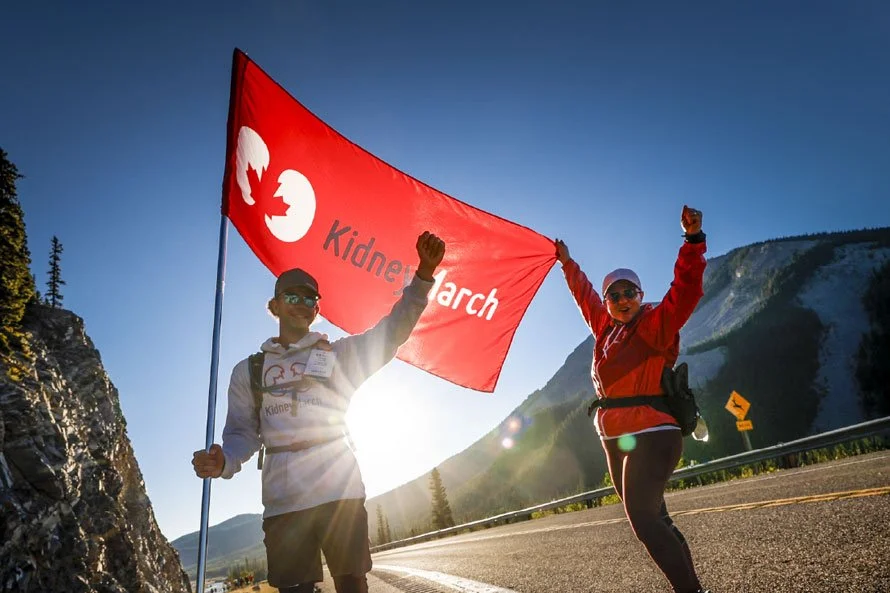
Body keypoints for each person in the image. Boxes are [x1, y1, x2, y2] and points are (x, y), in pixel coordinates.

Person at [192, 231, 446, 593]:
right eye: (291, 296)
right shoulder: (248, 371)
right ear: (275, 305)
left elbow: (391, 333)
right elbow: (241, 434)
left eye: (309, 297)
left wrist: (423, 276)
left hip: (340, 492)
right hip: (283, 504)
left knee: (352, 585)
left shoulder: (339, 356)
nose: (301, 303)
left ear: (317, 309)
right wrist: (225, 461)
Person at [555, 206, 710, 593]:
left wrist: (693, 240)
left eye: (630, 293)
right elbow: (584, 296)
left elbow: (686, 291)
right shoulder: (604, 329)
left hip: (653, 432)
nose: (622, 299)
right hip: (614, 439)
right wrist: (567, 263)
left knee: (643, 519)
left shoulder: (656, 323)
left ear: (640, 296)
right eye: (615, 294)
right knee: (657, 518)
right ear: (607, 301)